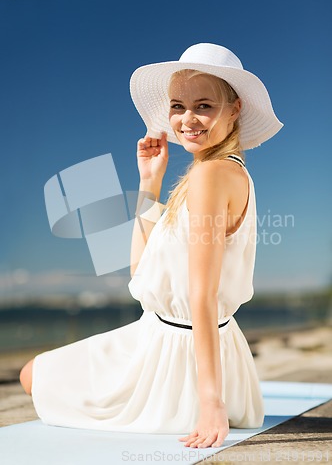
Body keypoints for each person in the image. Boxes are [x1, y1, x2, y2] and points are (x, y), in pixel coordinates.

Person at [20, 43, 283, 449]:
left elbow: (203, 294)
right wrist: (149, 183)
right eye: (178, 106)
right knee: (37, 373)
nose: (187, 119)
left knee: (33, 375)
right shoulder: (219, 174)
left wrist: (210, 402)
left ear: (235, 110)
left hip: (176, 362)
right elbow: (139, 271)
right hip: (192, 343)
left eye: (204, 105)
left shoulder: (211, 175)